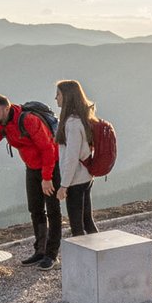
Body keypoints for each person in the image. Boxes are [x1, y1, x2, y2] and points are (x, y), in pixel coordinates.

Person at [0, 94, 62, 267]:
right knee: (35, 209)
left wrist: (47, 178)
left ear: (6, 108)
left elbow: (48, 149)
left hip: (51, 166)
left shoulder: (28, 120)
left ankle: (51, 255)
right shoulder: (3, 124)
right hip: (32, 168)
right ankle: (40, 251)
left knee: (53, 210)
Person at [54, 79, 99, 240]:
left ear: (67, 96)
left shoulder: (72, 124)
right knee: (87, 221)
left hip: (76, 181)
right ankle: (99, 255)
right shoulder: (83, 118)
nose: (56, 98)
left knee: (77, 227)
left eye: (58, 94)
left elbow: (71, 158)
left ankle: (83, 262)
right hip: (86, 176)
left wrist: (63, 186)